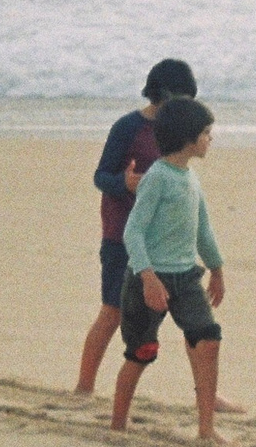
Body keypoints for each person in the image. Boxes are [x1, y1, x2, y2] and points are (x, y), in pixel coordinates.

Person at [110, 96, 229, 446]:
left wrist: (217, 268)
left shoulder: (190, 177)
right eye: (207, 133)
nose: (211, 139)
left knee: (208, 339)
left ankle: (206, 428)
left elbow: (202, 229)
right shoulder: (158, 178)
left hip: (186, 278)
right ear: (188, 138)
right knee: (141, 352)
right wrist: (147, 277)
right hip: (147, 280)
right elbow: (133, 231)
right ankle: (118, 424)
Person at [77, 60, 184, 392]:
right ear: (162, 94)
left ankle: (208, 393)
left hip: (163, 238)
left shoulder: (177, 129)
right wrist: (125, 183)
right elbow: (101, 176)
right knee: (112, 312)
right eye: (180, 98)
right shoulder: (128, 127)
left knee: (185, 311)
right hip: (121, 236)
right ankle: (84, 386)